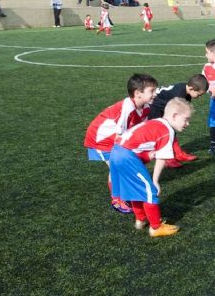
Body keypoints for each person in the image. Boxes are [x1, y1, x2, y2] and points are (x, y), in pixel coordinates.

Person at [109, 97, 192, 237]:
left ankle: (140, 220)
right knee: (149, 191)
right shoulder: (167, 130)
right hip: (127, 156)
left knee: (134, 189)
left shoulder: (156, 122)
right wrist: (155, 180)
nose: (188, 124)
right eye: (186, 119)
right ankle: (156, 227)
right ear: (175, 116)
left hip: (116, 151)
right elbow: (162, 158)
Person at [83, 73, 158, 214]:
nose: (155, 94)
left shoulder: (146, 106)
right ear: (137, 93)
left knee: (121, 164)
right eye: (152, 91)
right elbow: (120, 137)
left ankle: (123, 194)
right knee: (117, 166)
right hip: (101, 140)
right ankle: (117, 200)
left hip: (113, 138)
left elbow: (140, 129)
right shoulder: (128, 108)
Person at [148, 74, 208, 168]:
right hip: (155, 106)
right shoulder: (179, 94)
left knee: (171, 130)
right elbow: (174, 109)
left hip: (165, 105)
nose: (199, 97)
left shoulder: (187, 93)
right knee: (164, 132)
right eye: (199, 94)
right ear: (191, 88)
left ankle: (178, 154)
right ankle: (168, 158)